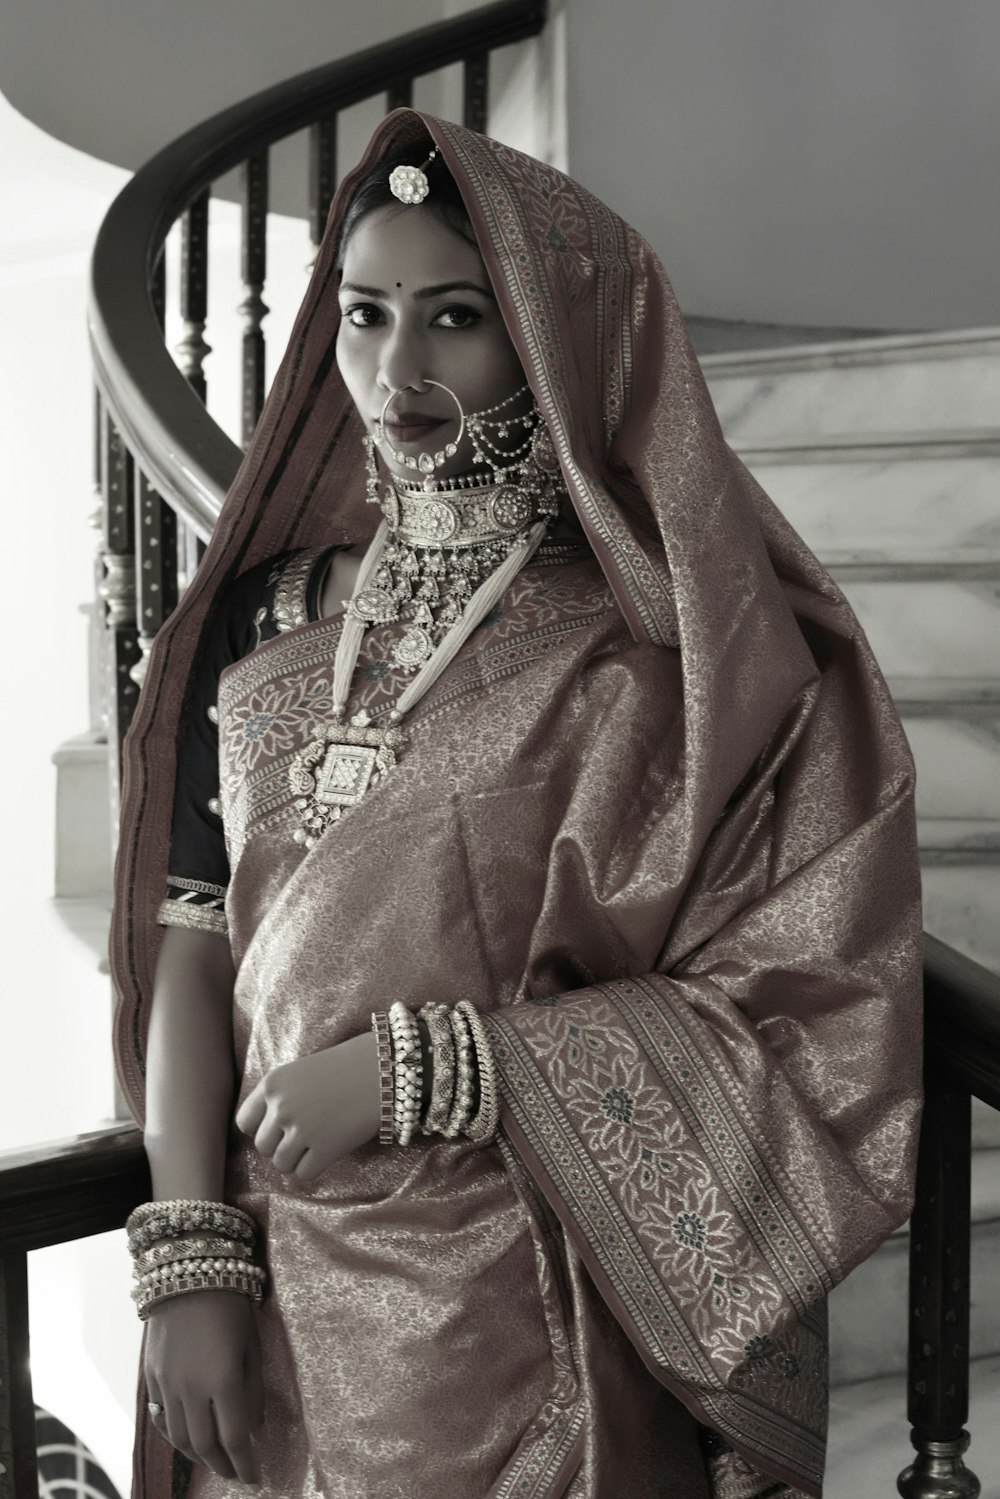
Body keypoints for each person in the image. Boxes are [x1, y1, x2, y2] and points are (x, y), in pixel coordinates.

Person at [111, 109, 923, 1499]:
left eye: (456, 319)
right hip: (273, 1288)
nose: (398, 368)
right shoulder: (264, 625)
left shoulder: (660, 663)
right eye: (364, 315)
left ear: (556, 344)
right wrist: (189, 1255)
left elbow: (802, 1011)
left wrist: (438, 1068)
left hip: (535, 1321)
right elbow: (199, 939)